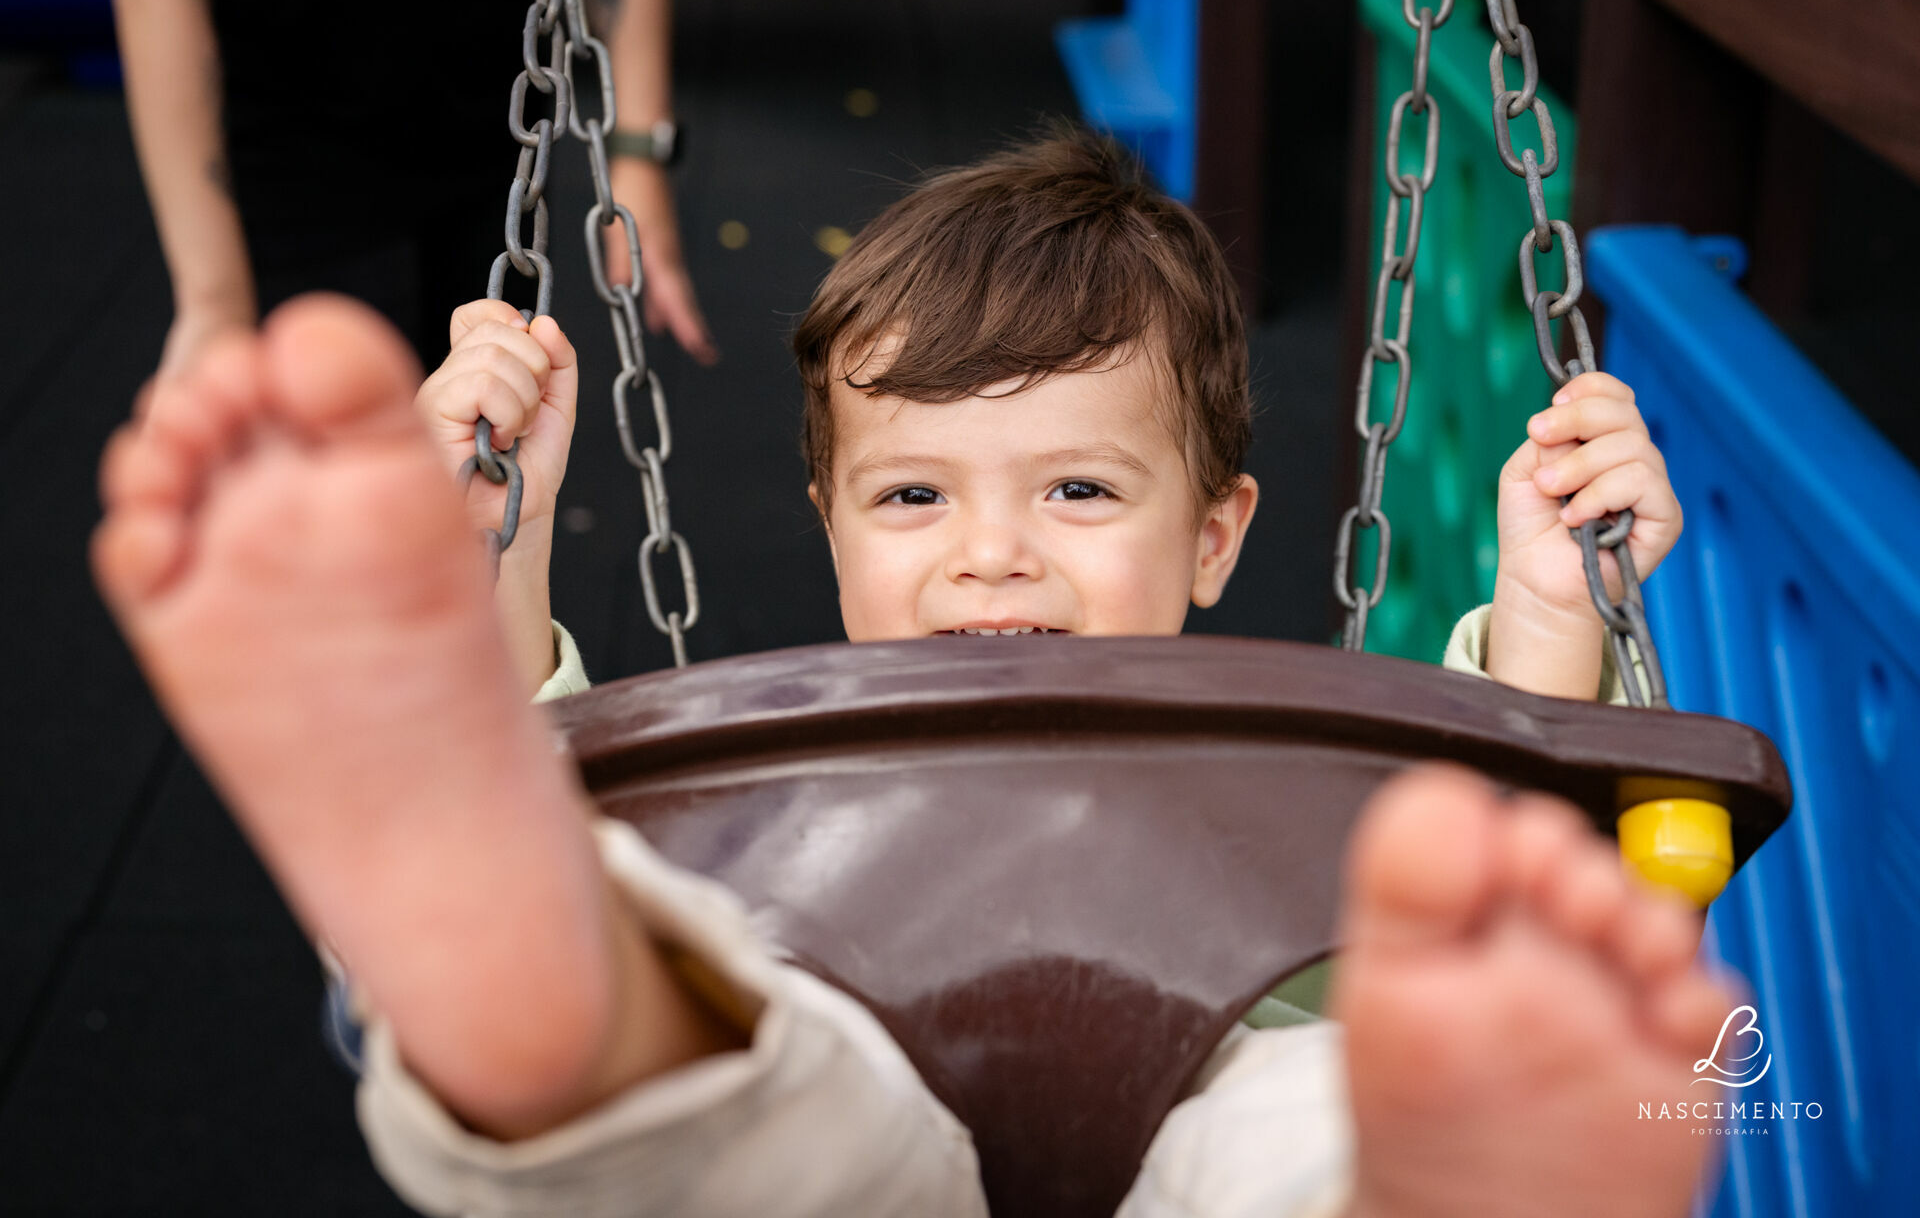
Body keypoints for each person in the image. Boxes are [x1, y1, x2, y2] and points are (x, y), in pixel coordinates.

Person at [94, 132, 1732, 1217]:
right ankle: (586, 1014)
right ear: (828, 526)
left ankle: (1430, 1177)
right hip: (848, 1128)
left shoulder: (1304, 772)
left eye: (1079, 490)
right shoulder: (779, 784)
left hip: (1233, 1130)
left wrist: (1548, 597)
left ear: (1217, 534)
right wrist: (488, 557)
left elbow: (1525, 824)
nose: (994, 552)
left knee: (1301, 1111)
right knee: (772, 1073)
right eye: (913, 495)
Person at [111, 0, 717, 380]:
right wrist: (214, 301)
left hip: (495, 138)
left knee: (486, 461)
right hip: (296, 156)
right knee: (333, 493)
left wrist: (638, 151)